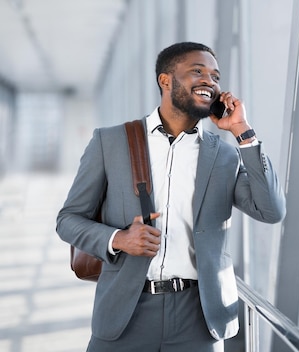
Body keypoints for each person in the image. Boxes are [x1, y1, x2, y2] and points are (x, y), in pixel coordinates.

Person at [57, 42, 286, 351]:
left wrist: (243, 133)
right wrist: (118, 239)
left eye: (216, 76)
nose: (210, 81)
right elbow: (68, 220)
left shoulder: (225, 156)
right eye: (197, 71)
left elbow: (271, 210)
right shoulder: (109, 142)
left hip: (200, 317)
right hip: (125, 312)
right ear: (166, 81)